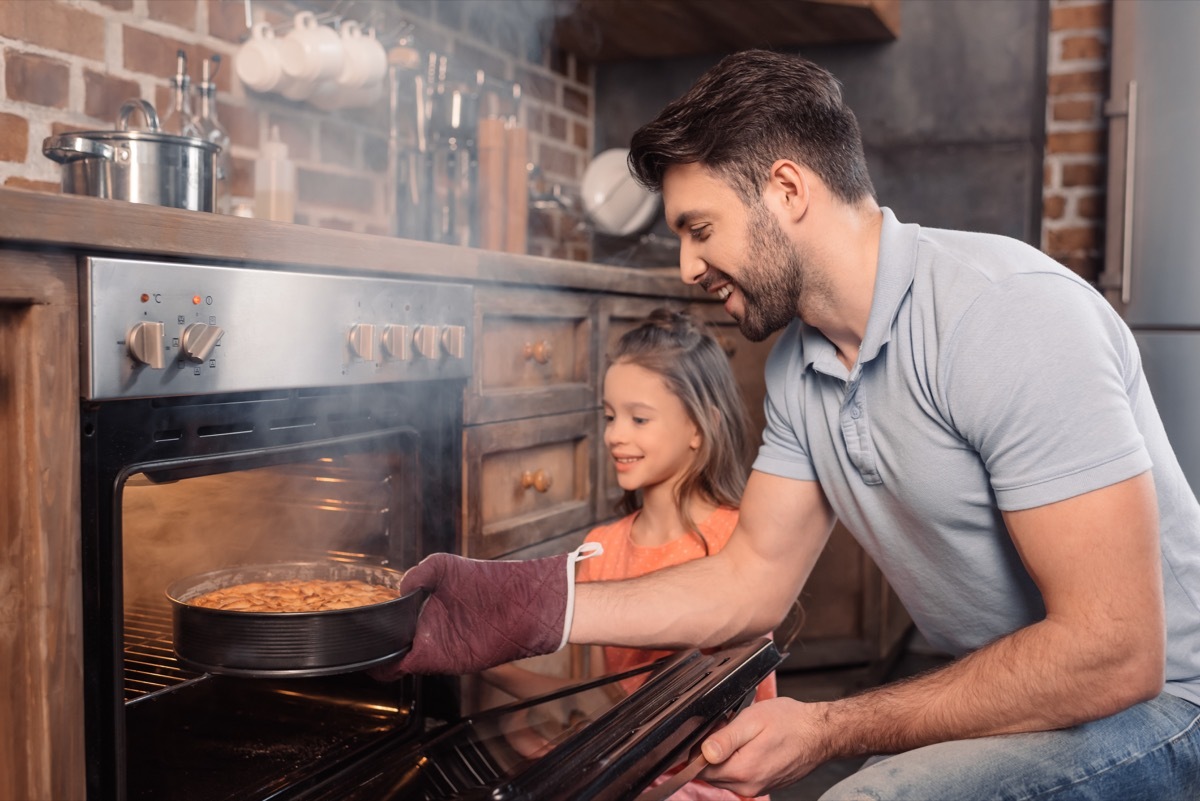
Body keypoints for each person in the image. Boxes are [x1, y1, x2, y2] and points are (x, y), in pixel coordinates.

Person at [385, 49, 1200, 800]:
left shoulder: (1004, 315)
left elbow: (1115, 651)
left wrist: (825, 728)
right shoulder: (799, 369)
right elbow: (749, 579)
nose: (687, 269)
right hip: (1043, 697)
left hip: (1167, 706)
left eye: (700, 230)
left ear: (787, 190)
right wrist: (526, 603)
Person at [483, 308, 777, 801]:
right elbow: (605, 707)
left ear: (698, 429)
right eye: (610, 416)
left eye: (639, 418)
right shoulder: (602, 547)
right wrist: (488, 660)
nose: (615, 434)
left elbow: (738, 731)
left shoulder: (739, 542)